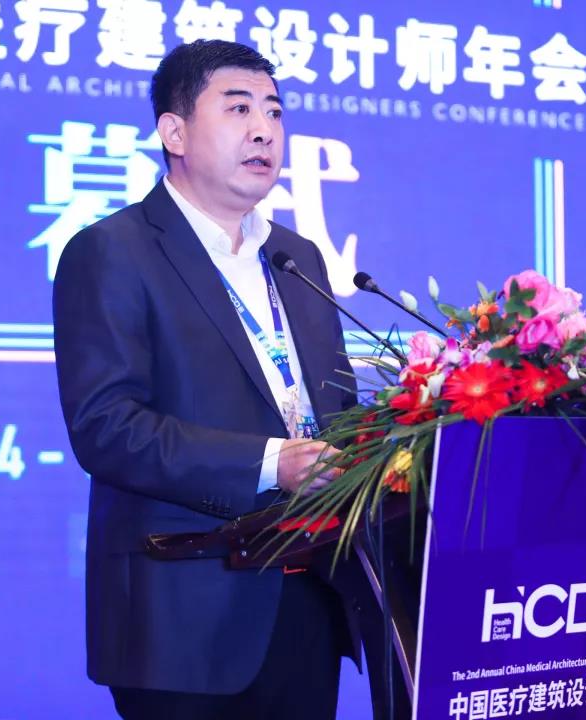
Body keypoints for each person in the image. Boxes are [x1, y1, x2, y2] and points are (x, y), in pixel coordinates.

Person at [52, 40, 358, 720]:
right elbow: (107, 428)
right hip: (183, 617)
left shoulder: (296, 258)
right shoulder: (113, 251)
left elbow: (332, 409)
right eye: (239, 108)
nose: (264, 130)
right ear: (175, 132)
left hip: (309, 597)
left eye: (274, 111)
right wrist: (273, 463)